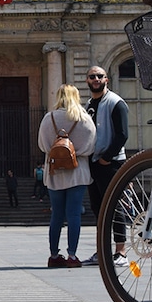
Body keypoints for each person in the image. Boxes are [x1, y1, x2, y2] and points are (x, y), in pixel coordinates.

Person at [38, 84, 96, 267]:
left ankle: (54, 255)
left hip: (54, 172)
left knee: (56, 215)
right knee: (74, 214)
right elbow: (91, 146)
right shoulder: (84, 119)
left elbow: (43, 145)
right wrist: (76, 152)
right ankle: (72, 255)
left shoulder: (49, 118)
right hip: (77, 172)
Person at [82, 67, 129, 265]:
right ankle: (102, 251)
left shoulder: (116, 103)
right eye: (92, 76)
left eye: (100, 76)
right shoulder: (89, 104)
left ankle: (121, 252)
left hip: (110, 162)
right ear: (87, 80)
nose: (96, 79)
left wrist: (107, 157)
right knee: (98, 208)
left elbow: (122, 134)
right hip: (93, 162)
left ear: (106, 79)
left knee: (114, 205)